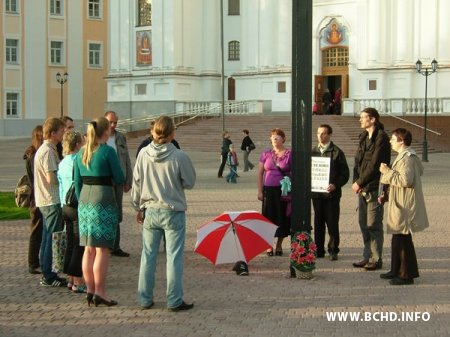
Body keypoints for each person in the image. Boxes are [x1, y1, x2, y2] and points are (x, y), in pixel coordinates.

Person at [131, 116, 196, 311]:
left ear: (153, 132)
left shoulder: (143, 153)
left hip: (150, 209)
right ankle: (174, 299)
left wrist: (137, 207)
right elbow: (190, 182)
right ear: (172, 133)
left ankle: (145, 298)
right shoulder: (179, 155)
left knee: (148, 256)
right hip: (173, 210)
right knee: (173, 257)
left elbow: (136, 182)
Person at [74, 117, 125, 307]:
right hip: (103, 199)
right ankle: (100, 292)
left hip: (85, 200)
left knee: (88, 248)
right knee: (102, 248)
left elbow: (76, 182)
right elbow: (119, 177)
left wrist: (82, 201)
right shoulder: (107, 152)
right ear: (106, 132)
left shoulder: (81, 153)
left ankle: (89, 289)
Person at [379, 128, 429, 285]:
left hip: (405, 205)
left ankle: (406, 275)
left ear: (401, 141)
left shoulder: (407, 158)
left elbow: (406, 180)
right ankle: (396, 269)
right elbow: (418, 172)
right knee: (397, 238)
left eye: (393, 139)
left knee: (403, 239)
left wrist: (387, 172)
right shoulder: (404, 156)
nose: (390, 141)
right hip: (400, 202)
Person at [352, 107, 391, 271]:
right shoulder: (363, 137)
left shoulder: (381, 138)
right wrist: (356, 181)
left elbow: (375, 165)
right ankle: (366, 256)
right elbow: (358, 162)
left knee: (373, 223)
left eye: (363, 117)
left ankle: (377, 258)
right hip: (362, 187)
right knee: (363, 223)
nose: (360, 120)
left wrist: (359, 182)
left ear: (373, 119)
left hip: (374, 186)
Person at [34, 117, 67, 287]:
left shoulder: (48, 149)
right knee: (51, 238)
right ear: (53, 133)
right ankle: (49, 274)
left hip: (46, 200)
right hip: (50, 200)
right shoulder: (47, 151)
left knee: (48, 236)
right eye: (61, 131)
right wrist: (64, 175)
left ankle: (48, 272)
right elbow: (51, 178)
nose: (63, 134)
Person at [311, 124, 349, 261]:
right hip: (316, 194)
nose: (320, 136)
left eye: (324, 133)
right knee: (318, 223)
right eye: (318, 133)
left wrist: (335, 184)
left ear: (330, 135)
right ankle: (318, 250)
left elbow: (345, 174)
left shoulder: (337, 152)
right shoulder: (313, 151)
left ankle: (333, 249)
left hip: (332, 195)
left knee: (332, 223)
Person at [257, 128, 292, 256]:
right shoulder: (265, 154)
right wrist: (260, 191)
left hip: (282, 191)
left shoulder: (289, 154)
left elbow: (293, 171)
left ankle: (279, 245)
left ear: (283, 139)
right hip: (269, 191)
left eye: (277, 137)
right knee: (268, 218)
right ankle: (268, 245)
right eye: (272, 137)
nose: (274, 139)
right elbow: (260, 173)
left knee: (281, 217)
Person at [58, 130, 85, 293]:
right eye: (82, 142)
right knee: (78, 244)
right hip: (75, 205)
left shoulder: (62, 162)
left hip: (64, 205)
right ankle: (77, 280)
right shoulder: (78, 160)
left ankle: (69, 277)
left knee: (70, 243)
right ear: (76, 145)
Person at [104, 111, 132, 257]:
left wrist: (129, 180)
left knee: (117, 213)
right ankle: (104, 246)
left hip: (118, 181)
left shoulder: (120, 137)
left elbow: (126, 159)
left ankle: (115, 246)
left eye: (115, 122)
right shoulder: (99, 137)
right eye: (110, 122)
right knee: (105, 213)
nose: (113, 125)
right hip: (103, 182)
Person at [24, 125, 44, 275]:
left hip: (38, 196)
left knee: (39, 230)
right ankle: (32, 262)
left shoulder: (35, 153)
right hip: (36, 198)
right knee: (36, 230)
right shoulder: (34, 155)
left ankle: (36, 261)